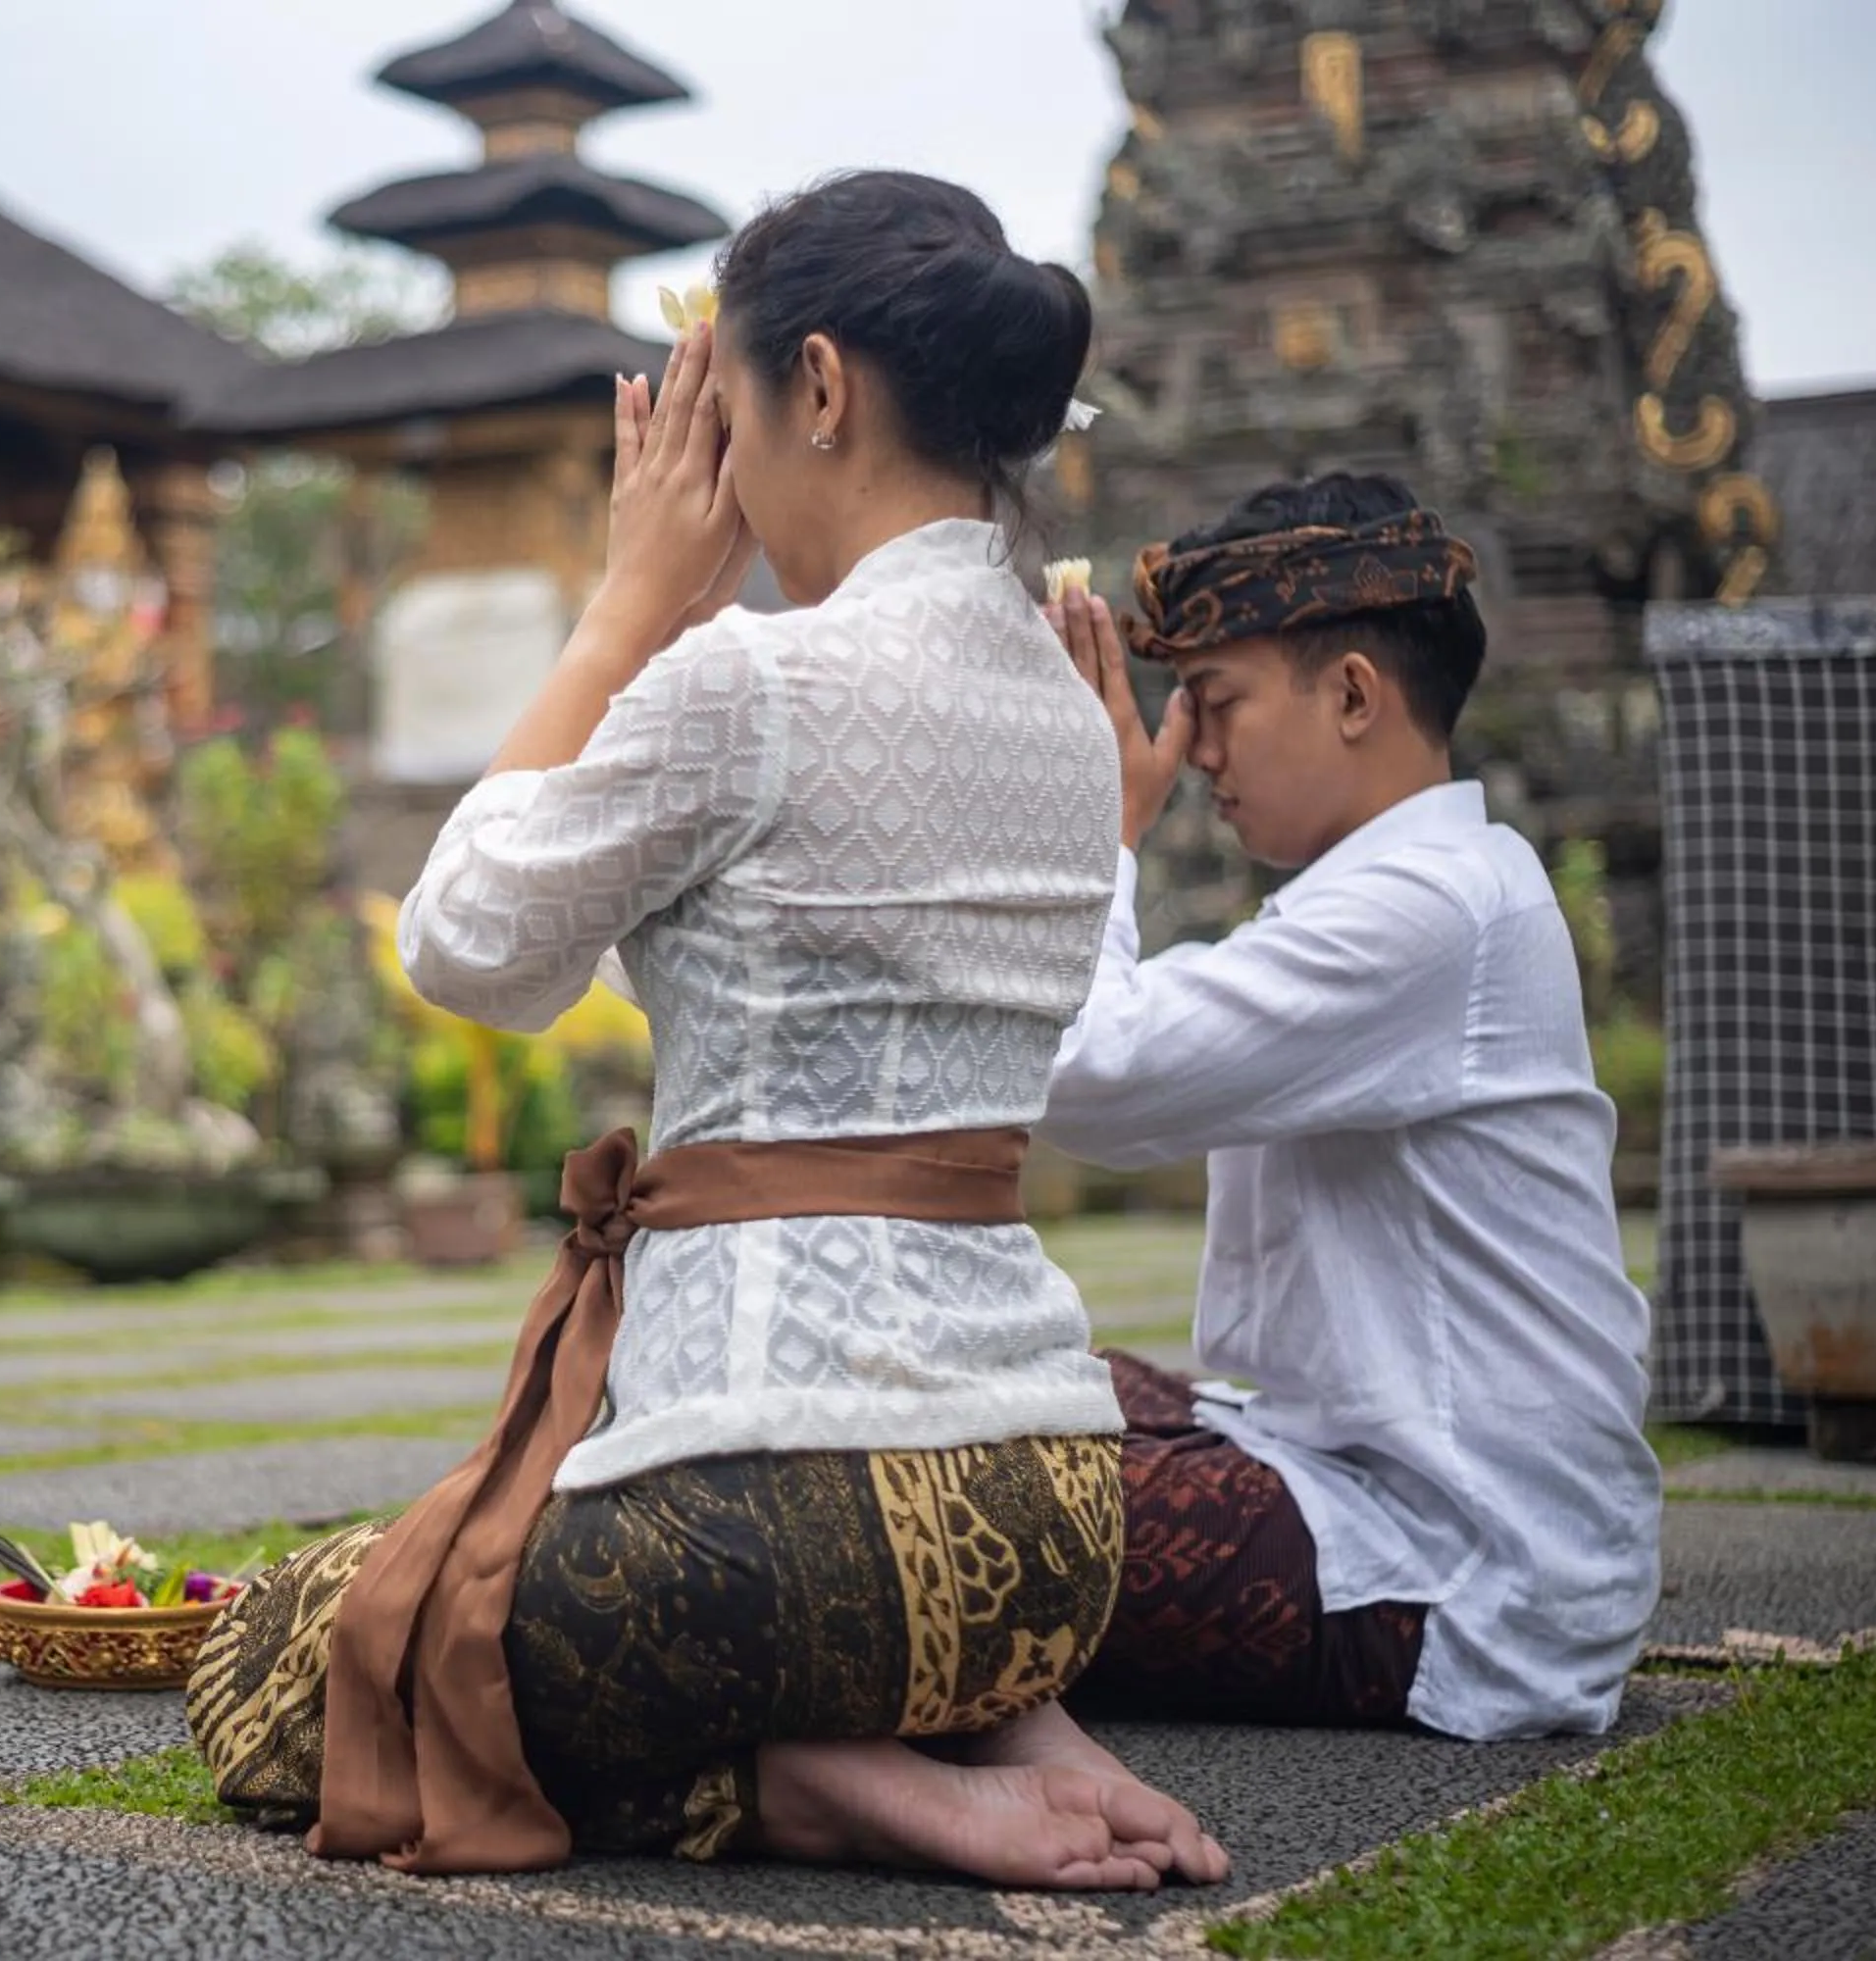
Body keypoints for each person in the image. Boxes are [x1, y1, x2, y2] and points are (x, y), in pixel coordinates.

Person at [186, 171, 1227, 1892]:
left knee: (299, 1654)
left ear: (816, 389)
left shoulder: (748, 684)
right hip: (1056, 1513)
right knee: (509, 1592)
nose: (713, 469)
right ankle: (993, 1704)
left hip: (781, 1524)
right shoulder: (1069, 710)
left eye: (718, 411)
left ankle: (825, 1789)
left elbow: (464, 946)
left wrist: (627, 603)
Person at [1024, 476, 1660, 1760]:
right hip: (1368, 1478)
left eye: (1217, 701)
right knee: (972, 1379)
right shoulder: (1424, 887)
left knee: (919, 1483)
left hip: (1463, 1574)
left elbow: (1092, 1072)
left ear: (1356, 695)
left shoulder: (1426, 910)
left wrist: (1097, 831)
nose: (1192, 750)